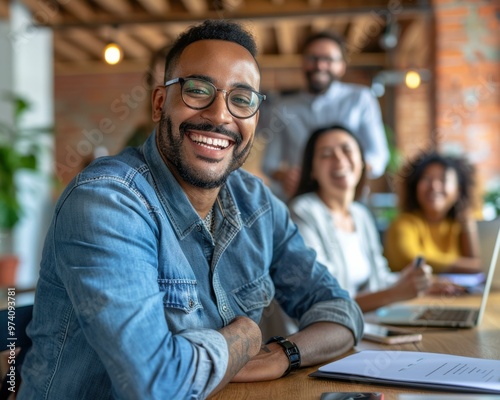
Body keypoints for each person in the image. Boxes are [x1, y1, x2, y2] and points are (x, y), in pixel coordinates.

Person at [19, 20, 363, 399]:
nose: (219, 115)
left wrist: (285, 353)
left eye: (242, 99)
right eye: (197, 90)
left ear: (254, 119)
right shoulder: (106, 202)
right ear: (159, 103)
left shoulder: (258, 204)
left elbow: (340, 310)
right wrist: (244, 338)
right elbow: (157, 384)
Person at [289, 125, 434, 312]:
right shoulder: (302, 212)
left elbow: (379, 278)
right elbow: (323, 302)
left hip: (367, 327)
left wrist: (414, 280)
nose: (339, 159)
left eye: (347, 150)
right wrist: (395, 293)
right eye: (326, 154)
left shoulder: (360, 214)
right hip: (325, 334)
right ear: (312, 170)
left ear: (363, 162)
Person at [259, 31, 389, 200]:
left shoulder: (361, 99)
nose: (320, 65)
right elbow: (270, 164)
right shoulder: (282, 107)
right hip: (299, 198)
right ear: (303, 63)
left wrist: (346, 172)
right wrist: (284, 176)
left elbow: (378, 156)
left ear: (341, 66)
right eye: (312, 58)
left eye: (328, 59)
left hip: (348, 199)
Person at [384, 151, 481, 274]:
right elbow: (413, 260)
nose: (434, 186)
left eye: (443, 179)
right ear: (415, 187)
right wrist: (476, 267)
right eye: (427, 179)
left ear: (458, 190)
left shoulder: (460, 224)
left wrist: (468, 225)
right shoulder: (403, 223)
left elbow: (478, 261)